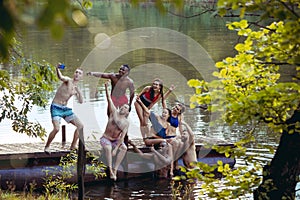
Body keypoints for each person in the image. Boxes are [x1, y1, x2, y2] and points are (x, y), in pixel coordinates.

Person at [44, 64, 84, 154]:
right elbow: (61, 77)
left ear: (81, 77)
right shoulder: (68, 81)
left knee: (80, 126)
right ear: (74, 74)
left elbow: (81, 101)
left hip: (65, 109)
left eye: (79, 73)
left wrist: (79, 92)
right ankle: (47, 147)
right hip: (56, 107)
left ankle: (73, 146)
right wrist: (57, 69)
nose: (77, 74)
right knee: (57, 129)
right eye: (76, 72)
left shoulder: (75, 89)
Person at [100, 81, 130, 181]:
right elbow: (109, 99)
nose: (123, 107)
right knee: (108, 148)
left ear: (127, 112)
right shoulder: (114, 113)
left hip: (116, 141)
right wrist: (106, 87)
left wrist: (116, 149)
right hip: (106, 138)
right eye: (123, 106)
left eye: (125, 107)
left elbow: (122, 137)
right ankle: (110, 170)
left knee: (124, 148)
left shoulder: (126, 123)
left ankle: (116, 169)